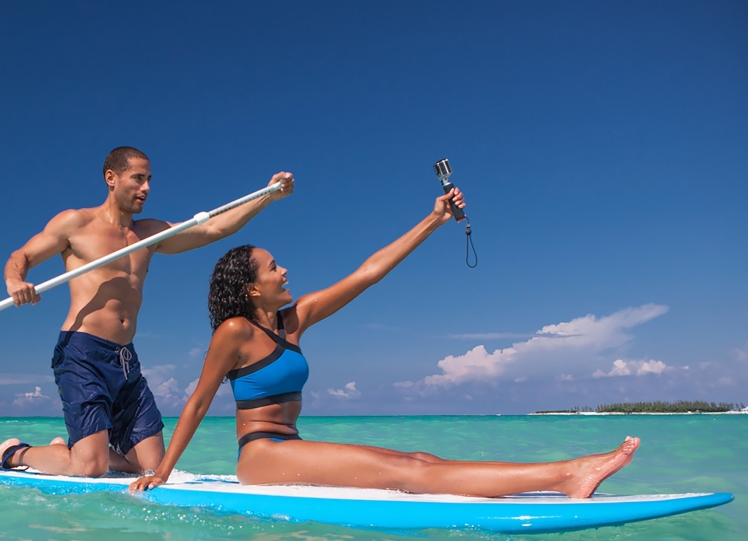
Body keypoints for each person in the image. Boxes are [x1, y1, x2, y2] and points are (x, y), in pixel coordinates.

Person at [129, 188, 640, 497]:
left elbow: (368, 273)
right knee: (410, 470)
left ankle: (550, 478)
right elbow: (198, 402)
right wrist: (163, 472)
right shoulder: (235, 331)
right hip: (262, 456)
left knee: (422, 457)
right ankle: (566, 475)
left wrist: (435, 220)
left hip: (292, 446)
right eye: (273, 267)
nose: (285, 270)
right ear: (250, 287)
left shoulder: (296, 319)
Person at [0, 147, 294, 476]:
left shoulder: (150, 233)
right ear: (111, 178)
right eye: (138, 179)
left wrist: (267, 196)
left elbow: (214, 229)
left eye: (149, 180)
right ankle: (14, 452)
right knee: (90, 468)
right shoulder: (76, 223)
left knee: (150, 468)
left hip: (125, 357)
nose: (146, 188)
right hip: (83, 351)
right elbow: (21, 256)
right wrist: (15, 281)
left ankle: (69, 450)